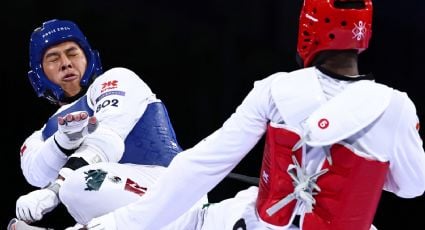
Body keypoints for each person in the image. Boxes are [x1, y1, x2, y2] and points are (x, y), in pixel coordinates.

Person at [84, 0, 425, 229]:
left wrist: (122, 223)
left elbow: (204, 164)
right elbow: (412, 187)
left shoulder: (277, 89)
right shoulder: (395, 107)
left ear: (310, 27)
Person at [12, 19, 205, 229]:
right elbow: (36, 175)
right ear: (39, 75)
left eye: (72, 53)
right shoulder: (39, 137)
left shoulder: (118, 79)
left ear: (89, 57)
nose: (66, 63)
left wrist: (54, 191)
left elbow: (107, 139)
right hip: (127, 204)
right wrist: (62, 141)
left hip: (172, 191)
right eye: (53, 58)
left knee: (79, 184)